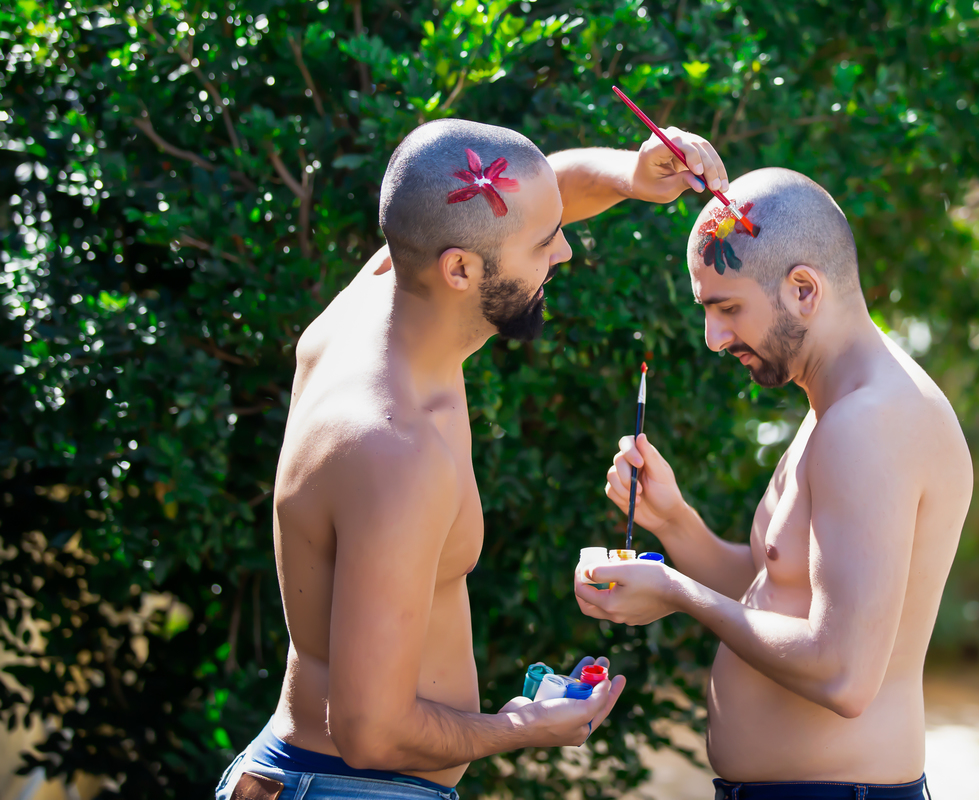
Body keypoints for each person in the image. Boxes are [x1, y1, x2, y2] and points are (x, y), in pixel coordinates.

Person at [215, 118, 732, 800]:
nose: (567, 252)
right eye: (546, 243)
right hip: (351, 784)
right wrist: (523, 726)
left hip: (317, 775)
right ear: (460, 269)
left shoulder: (380, 296)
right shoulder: (393, 449)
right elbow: (370, 730)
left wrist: (628, 176)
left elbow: (517, 201)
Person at [576, 168, 971, 800]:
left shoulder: (867, 425)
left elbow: (844, 675)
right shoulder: (834, 408)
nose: (715, 339)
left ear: (804, 289)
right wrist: (675, 521)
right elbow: (778, 595)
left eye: (728, 309)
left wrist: (675, 592)